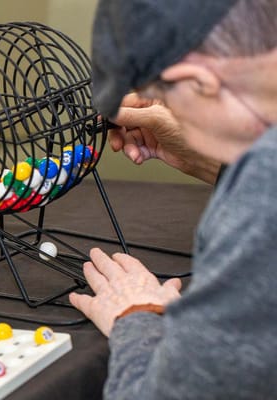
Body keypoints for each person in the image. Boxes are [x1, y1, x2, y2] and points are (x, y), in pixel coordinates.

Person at [68, 0, 277, 398]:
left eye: (165, 97)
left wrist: (139, 318)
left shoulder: (261, 197)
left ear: (197, 80)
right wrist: (219, 164)